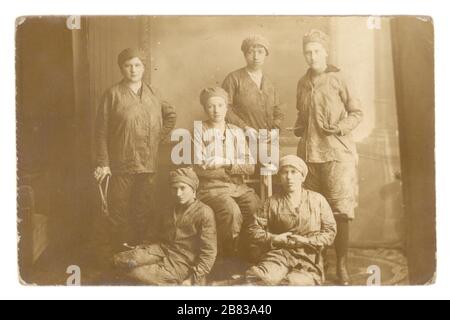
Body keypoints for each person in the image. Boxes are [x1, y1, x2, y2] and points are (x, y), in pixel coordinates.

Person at [293, 30, 363, 285]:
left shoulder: (339, 78)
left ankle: (341, 266)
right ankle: (316, 263)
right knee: (312, 211)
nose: (312, 56)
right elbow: (301, 116)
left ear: (326, 52)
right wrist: (299, 127)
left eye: (317, 51)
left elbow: (356, 112)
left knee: (340, 211)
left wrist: (341, 127)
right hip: (309, 155)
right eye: (308, 52)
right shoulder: (302, 82)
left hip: (336, 154)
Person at [93, 48, 177, 256]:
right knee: (118, 208)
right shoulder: (112, 94)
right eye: (128, 65)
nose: (133, 70)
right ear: (121, 68)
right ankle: (119, 252)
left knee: (144, 208)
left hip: (147, 163)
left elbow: (171, 115)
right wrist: (103, 163)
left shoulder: (154, 93)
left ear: (144, 67)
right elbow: (101, 131)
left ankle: (140, 251)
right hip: (121, 163)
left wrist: (157, 138)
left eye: (137, 65)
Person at [113, 168, 217, 285]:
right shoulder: (169, 208)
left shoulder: (204, 213)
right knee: (119, 261)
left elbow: (209, 253)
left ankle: (176, 283)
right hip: (159, 250)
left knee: (135, 273)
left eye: (183, 188)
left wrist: (193, 278)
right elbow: (153, 235)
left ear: (193, 189)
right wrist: (142, 249)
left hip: (181, 261)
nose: (178, 193)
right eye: (174, 188)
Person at [246, 155, 336, 285]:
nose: (289, 177)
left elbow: (330, 232)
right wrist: (274, 238)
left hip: (308, 257)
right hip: (278, 254)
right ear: (279, 177)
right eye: (284, 172)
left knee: (294, 284)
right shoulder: (272, 202)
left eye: (294, 172)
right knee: (260, 278)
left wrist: (307, 241)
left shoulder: (318, 200)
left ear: (302, 177)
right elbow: (253, 229)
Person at [193, 87, 261, 259]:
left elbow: (250, 167)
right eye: (211, 106)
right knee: (231, 212)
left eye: (220, 105)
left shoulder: (236, 132)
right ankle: (227, 255)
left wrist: (224, 162)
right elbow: (199, 167)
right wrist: (233, 166)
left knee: (255, 206)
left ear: (226, 108)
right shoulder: (199, 130)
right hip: (211, 189)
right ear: (204, 108)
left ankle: (249, 250)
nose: (216, 110)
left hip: (238, 187)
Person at [222, 35, 284, 138]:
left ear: (265, 55)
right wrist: (244, 128)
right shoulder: (233, 79)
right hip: (241, 140)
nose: (256, 57)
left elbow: (278, 111)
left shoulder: (270, 83)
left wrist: (275, 131)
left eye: (260, 52)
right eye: (251, 52)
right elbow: (225, 109)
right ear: (245, 55)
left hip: (268, 141)